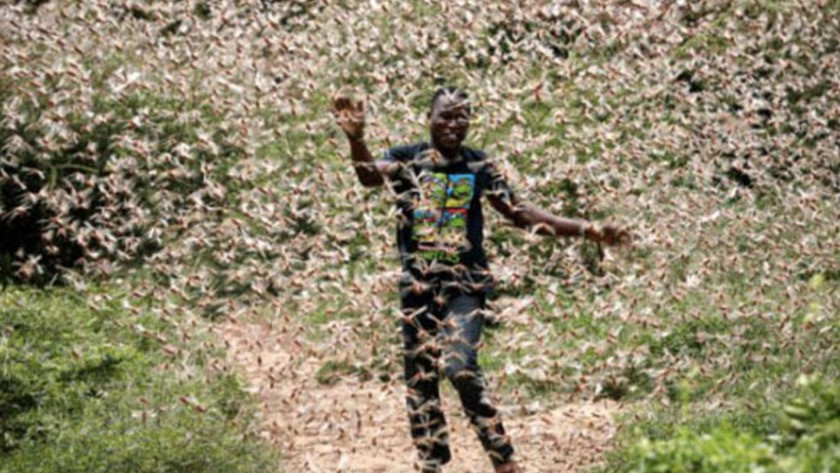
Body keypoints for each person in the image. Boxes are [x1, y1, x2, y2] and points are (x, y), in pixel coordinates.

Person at [331, 87, 629, 473]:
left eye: (461, 117)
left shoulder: (479, 166)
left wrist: (587, 230)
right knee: (421, 380)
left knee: (460, 365)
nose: (453, 124)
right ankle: (430, 463)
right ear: (430, 118)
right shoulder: (408, 159)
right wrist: (356, 138)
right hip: (418, 287)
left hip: (465, 286)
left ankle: (502, 459)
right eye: (445, 116)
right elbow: (369, 177)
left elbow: (521, 214)